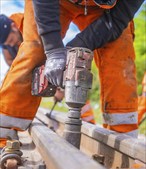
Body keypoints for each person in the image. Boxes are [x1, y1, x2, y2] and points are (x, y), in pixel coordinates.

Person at [0, 0, 144, 152]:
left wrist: (77, 46)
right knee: (36, 49)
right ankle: (3, 137)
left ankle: (122, 141)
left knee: (119, 58)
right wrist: (53, 50)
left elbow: (116, 20)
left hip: (107, 9)